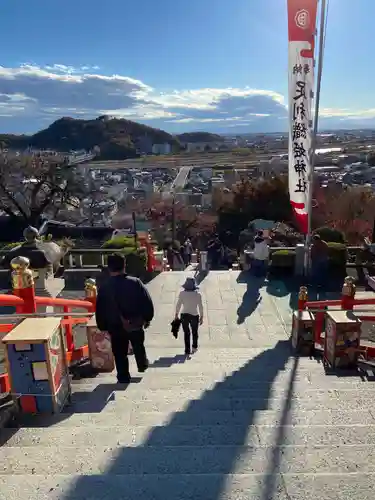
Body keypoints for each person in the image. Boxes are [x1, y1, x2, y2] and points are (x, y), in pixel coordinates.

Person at [96, 253, 154, 383]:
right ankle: (142, 363)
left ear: (109, 268)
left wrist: (102, 325)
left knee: (119, 352)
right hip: (135, 322)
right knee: (138, 344)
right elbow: (146, 301)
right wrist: (147, 317)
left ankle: (123, 375)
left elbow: (100, 308)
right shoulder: (135, 282)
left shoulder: (105, 287)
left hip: (115, 324)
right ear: (124, 266)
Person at [175, 277, 203, 355]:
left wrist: (176, 314)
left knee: (186, 333)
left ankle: (187, 350)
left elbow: (178, 305)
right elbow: (200, 306)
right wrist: (201, 317)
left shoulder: (182, 294)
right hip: (194, 315)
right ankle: (194, 347)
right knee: (195, 332)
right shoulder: (198, 294)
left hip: (184, 315)